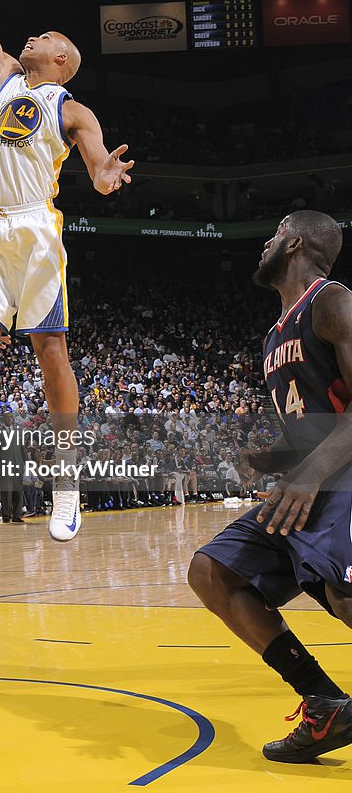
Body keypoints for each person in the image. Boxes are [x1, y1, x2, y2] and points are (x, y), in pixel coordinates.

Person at [0, 0, 132, 542]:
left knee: (50, 349)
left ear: (63, 59)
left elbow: (98, 166)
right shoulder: (2, 76)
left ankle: (66, 487)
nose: (33, 38)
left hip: (33, 229)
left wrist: (104, 178)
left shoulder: (72, 109)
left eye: (46, 37)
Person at [188, 210, 352, 763]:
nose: (265, 243)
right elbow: (317, 422)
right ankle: (324, 701)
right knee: (212, 572)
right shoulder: (273, 335)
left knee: (343, 594)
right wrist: (276, 457)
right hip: (306, 483)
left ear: (295, 243)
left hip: (342, 478)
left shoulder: (332, 301)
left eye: (274, 234)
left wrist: (306, 473)